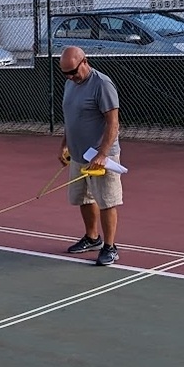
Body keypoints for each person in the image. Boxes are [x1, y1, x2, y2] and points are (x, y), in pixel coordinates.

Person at [58, 46, 123, 266]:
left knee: (106, 200)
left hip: (100, 155)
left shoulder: (102, 84)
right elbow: (71, 119)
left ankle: (110, 247)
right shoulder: (70, 84)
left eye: (73, 71)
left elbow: (113, 123)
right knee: (83, 197)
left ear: (84, 61)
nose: (70, 77)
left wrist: (103, 154)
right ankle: (92, 237)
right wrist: (64, 146)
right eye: (65, 73)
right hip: (78, 154)